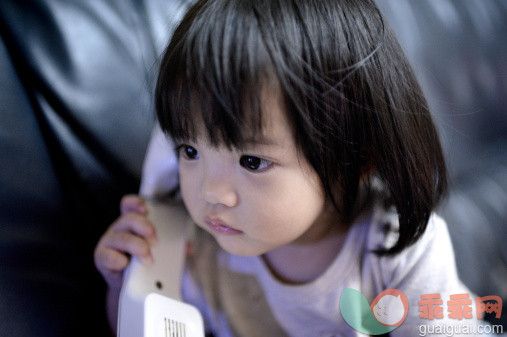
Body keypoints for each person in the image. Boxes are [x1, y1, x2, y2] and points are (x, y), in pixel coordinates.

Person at [94, 0, 489, 335]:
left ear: (356, 159)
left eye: (252, 161)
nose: (209, 192)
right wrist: (126, 287)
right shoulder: (199, 249)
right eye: (188, 150)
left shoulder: (397, 254)